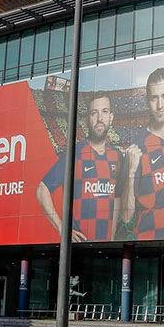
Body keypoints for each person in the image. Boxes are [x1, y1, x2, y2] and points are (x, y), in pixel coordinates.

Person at [36, 94, 124, 242]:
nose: (99, 118)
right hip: (79, 246)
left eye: (104, 111)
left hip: (107, 246)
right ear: (87, 119)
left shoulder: (117, 155)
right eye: (94, 113)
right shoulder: (74, 153)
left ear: (111, 117)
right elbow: (42, 189)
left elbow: (117, 197)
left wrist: (113, 237)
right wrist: (62, 228)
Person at [122, 68, 164, 240]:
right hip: (149, 243)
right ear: (148, 101)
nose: (160, 105)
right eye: (154, 98)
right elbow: (126, 216)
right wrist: (131, 173)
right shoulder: (137, 146)